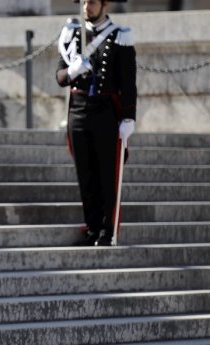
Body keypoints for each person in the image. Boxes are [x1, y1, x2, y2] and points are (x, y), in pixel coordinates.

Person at [56, 0, 137, 246]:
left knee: (107, 174)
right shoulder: (72, 34)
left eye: (91, 2)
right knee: (86, 174)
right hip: (78, 112)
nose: (86, 7)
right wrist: (72, 72)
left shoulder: (120, 37)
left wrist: (128, 117)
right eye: (83, 2)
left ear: (104, 5)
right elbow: (59, 77)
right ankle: (91, 227)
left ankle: (106, 230)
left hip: (105, 113)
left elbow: (127, 82)